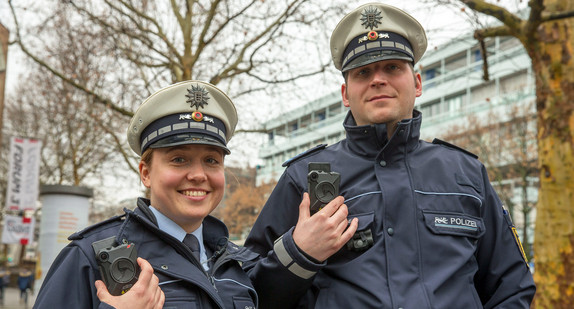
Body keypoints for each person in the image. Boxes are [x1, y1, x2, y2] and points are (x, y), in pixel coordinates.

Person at [242, 3, 536, 308]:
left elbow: (511, 287)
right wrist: (298, 253)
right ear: (345, 94)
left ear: (417, 83)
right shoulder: (302, 178)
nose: (378, 79)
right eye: (363, 72)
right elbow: (248, 294)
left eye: (392, 67)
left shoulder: (467, 173)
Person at [34, 80, 258, 308]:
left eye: (211, 160)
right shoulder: (89, 258)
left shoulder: (238, 265)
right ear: (146, 173)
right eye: (179, 159)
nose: (199, 175)